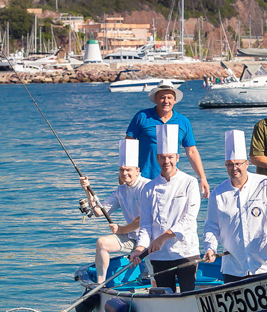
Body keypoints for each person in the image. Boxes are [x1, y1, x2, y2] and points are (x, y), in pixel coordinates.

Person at [202, 130, 267, 283]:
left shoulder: (265, 184)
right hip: (234, 268)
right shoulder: (218, 193)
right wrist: (210, 248)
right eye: (230, 165)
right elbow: (211, 226)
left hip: (266, 265)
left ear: (246, 164)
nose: (234, 168)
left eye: (238, 164)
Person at [130, 124, 201, 293]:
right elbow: (146, 224)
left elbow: (189, 219)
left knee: (188, 296)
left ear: (177, 157)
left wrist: (163, 238)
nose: (166, 161)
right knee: (165, 298)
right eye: (162, 157)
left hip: (185, 252)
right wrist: (140, 248)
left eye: (170, 157)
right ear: (157, 159)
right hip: (159, 256)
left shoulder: (190, 182)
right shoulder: (149, 188)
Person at [80, 138, 149, 284]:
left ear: (137, 171)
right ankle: (100, 284)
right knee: (102, 243)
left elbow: (143, 218)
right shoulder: (121, 190)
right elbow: (99, 211)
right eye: (122, 170)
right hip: (132, 237)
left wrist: (122, 229)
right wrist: (87, 190)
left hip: (150, 238)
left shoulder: (147, 187)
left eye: (128, 170)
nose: (125, 173)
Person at [125, 81, 210, 198]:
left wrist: (202, 177)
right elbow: (128, 146)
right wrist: (125, 173)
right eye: (162, 97)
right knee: (141, 216)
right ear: (155, 99)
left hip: (170, 180)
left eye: (169, 97)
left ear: (174, 100)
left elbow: (191, 151)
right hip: (143, 179)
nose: (166, 101)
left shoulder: (183, 121)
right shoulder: (142, 117)